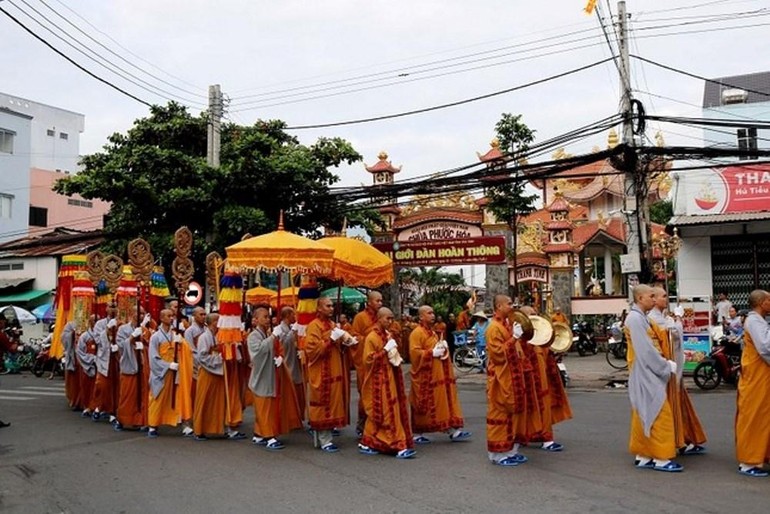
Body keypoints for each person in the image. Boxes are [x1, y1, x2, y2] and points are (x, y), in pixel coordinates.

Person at [625, 284, 682, 472]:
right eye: (651, 296)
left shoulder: (641, 318)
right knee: (659, 412)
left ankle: (643, 454)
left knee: (644, 411)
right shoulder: (635, 319)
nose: (654, 299)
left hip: (645, 369)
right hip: (645, 370)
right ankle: (661, 458)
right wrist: (664, 366)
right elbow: (646, 349)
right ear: (640, 298)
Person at [648, 287, 707, 457]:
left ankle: (683, 439)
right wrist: (679, 319)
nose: (666, 299)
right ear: (654, 299)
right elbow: (671, 336)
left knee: (679, 405)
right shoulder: (652, 319)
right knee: (667, 408)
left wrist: (675, 321)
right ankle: (669, 444)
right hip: (665, 370)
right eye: (663, 296)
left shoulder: (664, 318)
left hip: (674, 368)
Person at [486, 295, 541, 466]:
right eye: (509, 303)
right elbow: (498, 355)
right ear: (499, 306)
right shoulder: (493, 328)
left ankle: (510, 450)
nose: (512, 306)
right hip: (500, 378)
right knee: (501, 413)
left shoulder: (507, 325)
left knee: (514, 413)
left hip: (513, 375)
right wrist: (514, 339)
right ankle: (497, 454)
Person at [358, 307, 416, 459]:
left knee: (386, 412)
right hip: (378, 382)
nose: (390, 322)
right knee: (386, 413)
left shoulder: (386, 334)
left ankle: (368, 441)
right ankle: (398, 444)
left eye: (392, 319)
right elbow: (368, 361)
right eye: (387, 319)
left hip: (390, 378)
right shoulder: (371, 337)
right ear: (379, 318)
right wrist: (385, 350)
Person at [408, 305, 470, 445]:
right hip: (425, 377)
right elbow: (414, 354)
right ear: (421, 317)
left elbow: (435, 348)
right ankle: (418, 433)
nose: (433, 315)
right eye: (429, 313)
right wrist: (431, 353)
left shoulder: (433, 333)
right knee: (425, 405)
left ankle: (452, 430)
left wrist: (442, 348)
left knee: (443, 403)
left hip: (438, 375)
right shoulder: (417, 333)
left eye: (433, 312)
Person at [248, 307, 302, 449]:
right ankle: (269, 436)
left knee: (267, 407)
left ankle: (258, 434)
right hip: (261, 377)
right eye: (264, 317)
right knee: (264, 408)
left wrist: (278, 356)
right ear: (256, 319)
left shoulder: (266, 334)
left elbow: (275, 349)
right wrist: (273, 338)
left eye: (268, 316)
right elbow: (258, 353)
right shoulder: (253, 336)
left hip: (269, 375)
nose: (267, 319)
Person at [305, 297, 351, 453]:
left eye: (332, 306)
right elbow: (311, 351)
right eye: (328, 306)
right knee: (322, 403)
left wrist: (345, 342)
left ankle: (324, 436)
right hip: (321, 373)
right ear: (319, 308)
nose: (331, 308)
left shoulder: (332, 325)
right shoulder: (313, 326)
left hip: (335, 371)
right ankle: (325, 440)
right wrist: (330, 339)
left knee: (333, 403)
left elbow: (337, 348)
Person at [735, 289, 770, 477]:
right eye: (769, 300)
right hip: (756, 376)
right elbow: (765, 347)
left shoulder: (759, 320)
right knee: (755, 417)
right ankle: (749, 461)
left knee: (764, 417)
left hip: (761, 375)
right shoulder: (754, 321)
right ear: (762, 302)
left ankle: (760, 455)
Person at [350, 291, 383, 436]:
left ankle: (380, 425)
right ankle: (363, 424)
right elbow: (355, 339)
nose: (380, 303)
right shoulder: (360, 317)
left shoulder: (382, 317)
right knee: (366, 394)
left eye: (381, 301)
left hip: (381, 361)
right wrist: (371, 337)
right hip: (366, 362)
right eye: (377, 301)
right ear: (369, 302)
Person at [147, 309, 182, 438]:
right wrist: (168, 365)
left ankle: (173, 420)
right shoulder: (156, 337)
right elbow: (153, 357)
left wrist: (181, 344)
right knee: (157, 397)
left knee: (173, 397)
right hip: (161, 372)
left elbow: (183, 351)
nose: (171, 318)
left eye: (172, 316)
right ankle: (152, 425)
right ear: (161, 318)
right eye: (168, 316)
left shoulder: (175, 335)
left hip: (174, 371)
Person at [193, 313, 226, 440]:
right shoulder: (204, 337)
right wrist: (218, 358)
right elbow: (202, 357)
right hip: (206, 372)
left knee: (215, 402)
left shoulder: (217, 336)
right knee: (203, 401)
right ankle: (199, 430)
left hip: (217, 372)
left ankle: (213, 428)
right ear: (214, 322)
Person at [114, 308, 148, 431]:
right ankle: (123, 419)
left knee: (142, 395)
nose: (141, 315)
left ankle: (140, 420)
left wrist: (143, 342)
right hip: (129, 365)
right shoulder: (123, 329)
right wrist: (132, 338)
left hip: (142, 365)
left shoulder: (145, 328)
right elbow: (121, 346)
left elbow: (150, 344)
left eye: (143, 313)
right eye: (139, 313)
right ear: (132, 314)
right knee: (127, 395)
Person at [274, 306, 305, 419]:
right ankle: (289, 418)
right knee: (289, 395)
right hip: (287, 364)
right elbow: (284, 344)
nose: (295, 317)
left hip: (295, 363)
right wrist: (293, 332)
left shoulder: (291, 328)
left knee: (299, 394)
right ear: (287, 315)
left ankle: (297, 417)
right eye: (293, 314)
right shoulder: (279, 329)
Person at [91, 318, 121, 423]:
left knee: (115, 387)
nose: (113, 308)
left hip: (116, 359)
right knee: (102, 386)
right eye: (110, 306)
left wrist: (118, 346)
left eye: (114, 306)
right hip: (104, 360)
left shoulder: (121, 322)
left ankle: (113, 412)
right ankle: (98, 407)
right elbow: (98, 340)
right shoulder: (100, 324)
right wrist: (107, 330)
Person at [75, 315, 99, 417]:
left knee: (98, 387)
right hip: (88, 365)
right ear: (90, 322)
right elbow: (79, 351)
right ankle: (87, 406)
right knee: (87, 387)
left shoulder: (101, 335)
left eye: (98, 320)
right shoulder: (85, 336)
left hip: (100, 364)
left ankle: (97, 406)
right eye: (94, 320)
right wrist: (91, 359)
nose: (96, 322)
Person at [61, 320, 80, 410]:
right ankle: (74, 399)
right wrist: (72, 334)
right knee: (73, 381)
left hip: (86, 356)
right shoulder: (71, 324)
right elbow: (63, 337)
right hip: (74, 356)